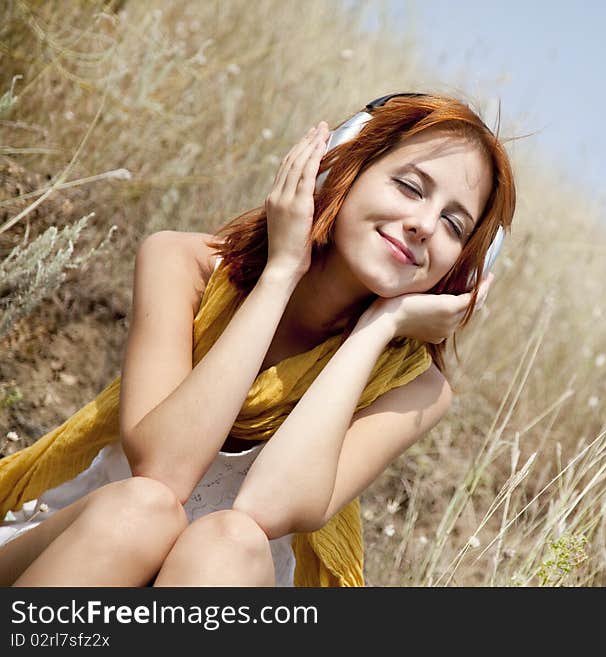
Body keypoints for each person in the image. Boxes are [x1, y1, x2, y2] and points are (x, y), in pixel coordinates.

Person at [0, 92, 516, 587]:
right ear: (338, 166)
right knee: (142, 510)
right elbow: (164, 469)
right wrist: (282, 271)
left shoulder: (419, 389)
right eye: (409, 186)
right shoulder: (185, 264)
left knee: (231, 541)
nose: (425, 225)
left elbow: (267, 507)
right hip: (81, 553)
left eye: (454, 224)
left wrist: (377, 329)